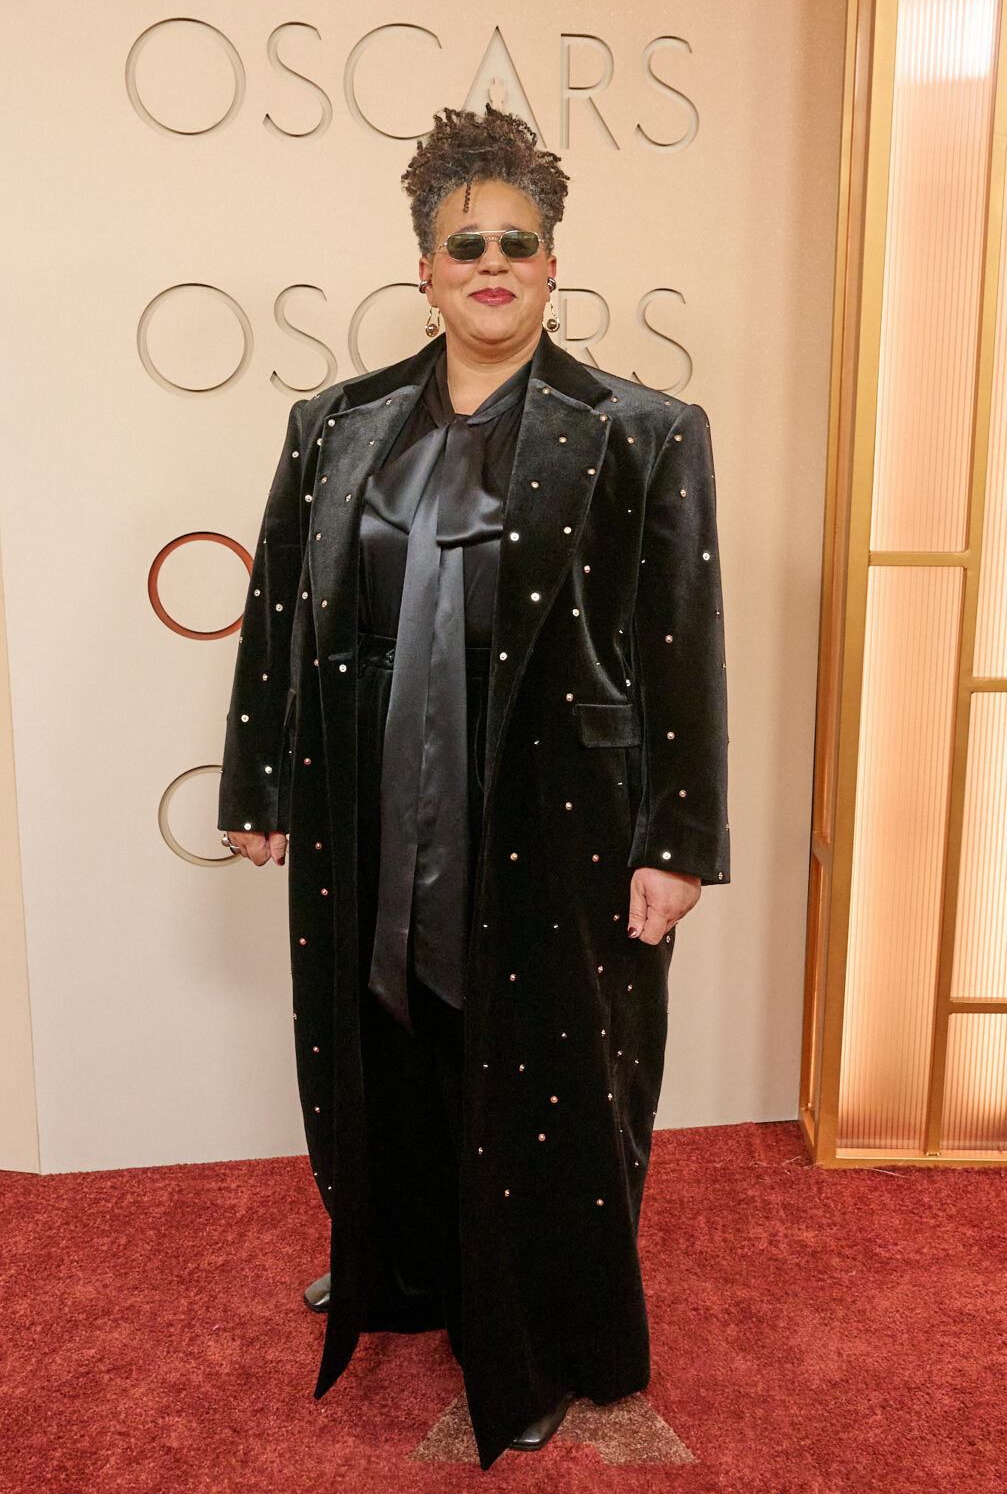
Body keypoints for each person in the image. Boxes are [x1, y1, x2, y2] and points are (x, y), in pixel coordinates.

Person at [218, 105, 730, 1470]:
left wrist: (678, 841)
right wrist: (262, 782)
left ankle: (559, 1350)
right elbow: (281, 614)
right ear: (425, 268)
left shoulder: (641, 431)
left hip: (557, 822)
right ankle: (412, 1273)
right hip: (377, 811)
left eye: (519, 243)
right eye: (467, 245)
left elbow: (683, 646)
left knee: (558, 1082)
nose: (492, 263)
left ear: (554, 266)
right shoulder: (337, 424)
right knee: (394, 1037)